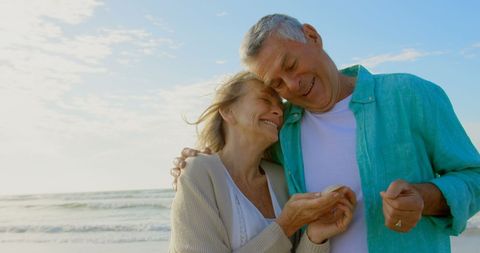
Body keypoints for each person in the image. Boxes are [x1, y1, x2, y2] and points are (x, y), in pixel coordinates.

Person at [172, 14, 480, 252]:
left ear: (312, 36)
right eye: (276, 84)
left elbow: (474, 176)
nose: (291, 85)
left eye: (290, 65)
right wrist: (199, 161)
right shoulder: (283, 132)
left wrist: (426, 198)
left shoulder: (410, 95)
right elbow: (240, 166)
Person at [169, 71, 356, 253]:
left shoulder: (281, 176)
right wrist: (285, 226)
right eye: (265, 100)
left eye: (280, 106)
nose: (278, 111)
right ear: (228, 111)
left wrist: (315, 236)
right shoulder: (199, 172)